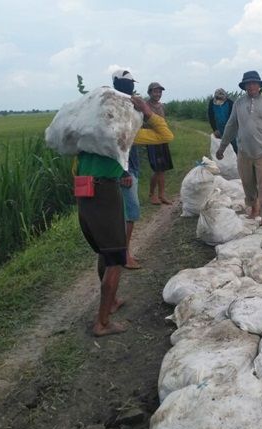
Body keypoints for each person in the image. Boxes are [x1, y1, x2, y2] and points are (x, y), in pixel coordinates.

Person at [75, 70, 174, 337]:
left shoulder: (88, 130)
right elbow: (165, 135)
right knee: (116, 258)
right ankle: (102, 323)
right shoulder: (124, 129)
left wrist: (120, 173)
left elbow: (76, 163)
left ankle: (113, 301)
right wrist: (146, 110)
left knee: (103, 251)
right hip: (104, 194)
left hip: (83, 192)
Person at [216, 70, 262, 226]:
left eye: (254, 83)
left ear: (259, 86)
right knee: (247, 182)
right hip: (244, 151)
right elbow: (231, 126)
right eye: (248, 83)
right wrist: (222, 147)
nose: (251, 86)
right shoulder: (239, 103)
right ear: (244, 86)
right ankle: (253, 208)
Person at [112, 70, 142, 270]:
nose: (129, 87)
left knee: (127, 212)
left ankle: (123, 251)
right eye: (126, 83)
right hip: (125, 169)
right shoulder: (116, 107)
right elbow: (116, 143)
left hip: (132, 165)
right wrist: (123, 172)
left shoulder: (127, 105)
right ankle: (124, 254)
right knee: (130, 212)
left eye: (130, 83)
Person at [145, 82, 173, 205]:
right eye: (155, 91)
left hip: (162, 140)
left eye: (160, 92)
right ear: (150, 92)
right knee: (157, 169)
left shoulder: (161, 106)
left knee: (163, 168)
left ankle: (162, 195)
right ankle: (152, 194)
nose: (158, 94)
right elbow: (142, 124)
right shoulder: (145, 106)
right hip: (151, 140)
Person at [207, 88, 237, 153]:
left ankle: (237, 160)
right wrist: (215, 129)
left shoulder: (230, 103)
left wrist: (230, 130)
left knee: (234, 146)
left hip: (230, 129)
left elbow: (233, 118)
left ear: (225, 97)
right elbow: (211, 117)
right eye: (217, 99)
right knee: (221, 147)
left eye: (221, 99)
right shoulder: (212, 103)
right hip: (219, 128)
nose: (219, 100)